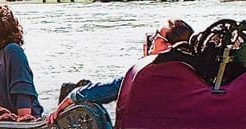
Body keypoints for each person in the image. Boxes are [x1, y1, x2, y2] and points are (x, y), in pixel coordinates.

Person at [60, 18, 194, 110]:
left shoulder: (151, 73)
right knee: (82, 86)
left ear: (167, 46)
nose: (152, 39)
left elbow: (114, 87)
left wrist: (72, 97)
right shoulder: (188, 69)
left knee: (71, 90)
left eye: (157, 35)